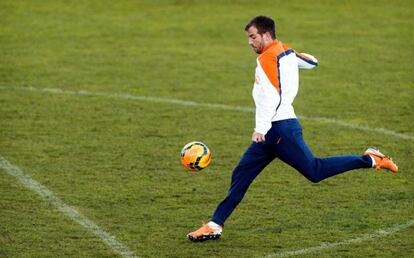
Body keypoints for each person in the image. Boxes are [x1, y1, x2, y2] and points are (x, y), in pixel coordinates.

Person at [187, 15, 398, 242]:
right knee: (241, 174)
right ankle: (215, 225)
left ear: (266, 35)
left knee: (315, 171)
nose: (250, 42)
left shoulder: (267, 59)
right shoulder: (284, 52)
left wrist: (261, 128)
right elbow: (312, 62)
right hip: (272, 133)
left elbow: (272, 96)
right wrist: (291, 55)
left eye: (253, 37)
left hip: (280, 130)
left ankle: (370, 159)